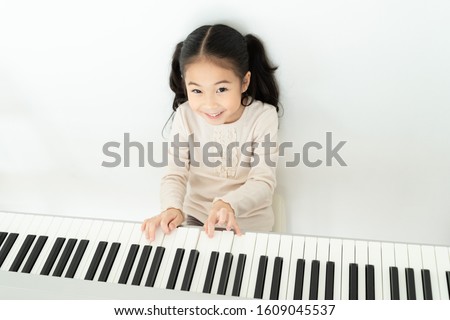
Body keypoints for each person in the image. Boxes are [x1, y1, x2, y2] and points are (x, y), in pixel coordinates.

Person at [141, 24, 280, 241]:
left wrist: (228, 204)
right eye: (197, 90)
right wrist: (172, 208)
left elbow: (263, 181)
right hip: (196, 218)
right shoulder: (185, 115)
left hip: (250, 223)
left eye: (221, 89)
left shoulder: (263, 117)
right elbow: (175, 173)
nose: (209, 104)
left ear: (244, 82)